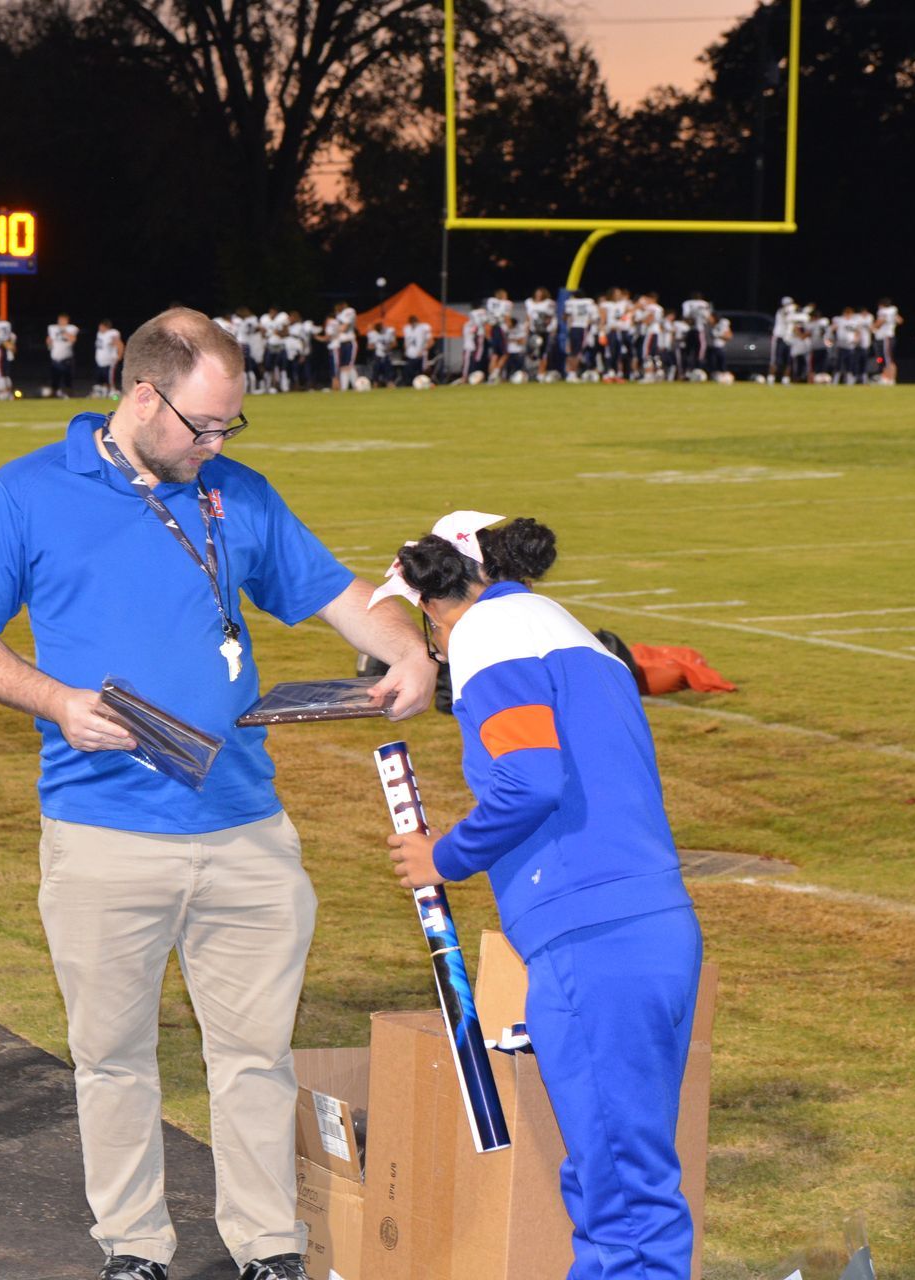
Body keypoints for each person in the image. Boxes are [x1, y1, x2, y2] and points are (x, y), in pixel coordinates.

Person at [0, 307, 437, 1280]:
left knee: (256, 1055)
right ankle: (133, 1247)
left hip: (247, 828)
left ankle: (270, 1246)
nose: (216, 444)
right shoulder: (27, 492)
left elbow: (340, 595)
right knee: (113, 1057)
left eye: (229, 425)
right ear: (142, 394)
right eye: (202, 425)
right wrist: (56, 702)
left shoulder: (235, 491)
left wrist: (406, 647)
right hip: (103, 830)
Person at [372, 511, 703, 1280]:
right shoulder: (561, 627)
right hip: (641, 922)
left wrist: (441, 857)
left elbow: (529, 781)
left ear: (434, 600)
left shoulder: (489, 635)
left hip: (592, 936)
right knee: (609, 1179)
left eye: (426, 625)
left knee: (624, 1202)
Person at [48, 312, 80, 397]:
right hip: (55, 358)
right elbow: (49, 340)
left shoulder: (71, 328)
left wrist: (64, 332)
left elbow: (73, 339)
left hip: (66, 358)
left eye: (62, 320)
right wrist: (49, 342)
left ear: (66, 320)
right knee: (54, 380)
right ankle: (54, 395)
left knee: (68, 380)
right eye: (59, 320)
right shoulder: (52, 328)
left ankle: (69, 395)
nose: (60, 321)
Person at [94, 319, 125, 398]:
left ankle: (115, 395)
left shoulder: (112, 333)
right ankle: (106, 394)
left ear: (106, 327)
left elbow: (119, 344)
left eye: (101, 326)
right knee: (104, 381)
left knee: (111, 380)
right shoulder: (99, 334)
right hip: (101, 363)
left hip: (110, 362)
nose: (99, 328)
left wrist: (119, 356)